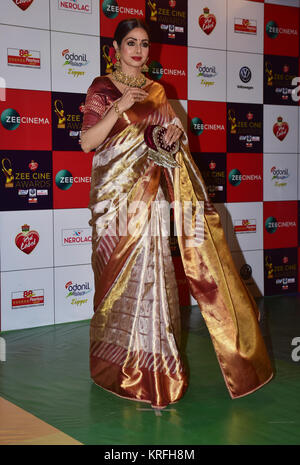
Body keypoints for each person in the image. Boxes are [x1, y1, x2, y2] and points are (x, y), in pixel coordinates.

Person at [80, 18, 274, 410]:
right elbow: (87, 142)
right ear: (116, 48)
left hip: (150, 199)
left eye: (145, 44)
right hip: (116, 202)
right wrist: (119, 106)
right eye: (130, 43)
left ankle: (155, 375)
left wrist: (176, 134)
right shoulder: (101, 88)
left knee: (152, 283)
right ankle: (112, 367)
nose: (138, 50)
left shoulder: (157, 91)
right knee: (113, 285)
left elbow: (169, 134)